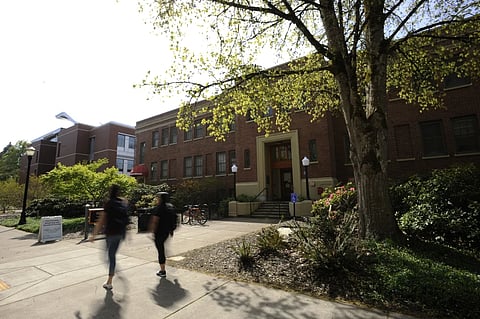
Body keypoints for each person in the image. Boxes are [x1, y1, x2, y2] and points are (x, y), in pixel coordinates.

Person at [90, 184, 129, 290]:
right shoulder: (122, 203)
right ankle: (112, 273)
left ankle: (110, 280)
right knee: (111, 255)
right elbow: (126, 218)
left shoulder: (109, 203)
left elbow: (101, 220)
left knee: (108, 256)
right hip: (120, 233)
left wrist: (94, 234)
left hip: (111, 233)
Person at [149, 192, 177, 277]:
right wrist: (172, 230)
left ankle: (162, 270)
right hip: (167, 232)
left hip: (159, 232)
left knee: (160, 250)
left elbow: (155, 221)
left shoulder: (158, 208)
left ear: (160, 198)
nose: (156, 199)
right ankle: (164, 265)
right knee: (162, 248)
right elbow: (174, 218)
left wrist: (152, 231)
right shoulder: (170, 207)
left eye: (157, 197)